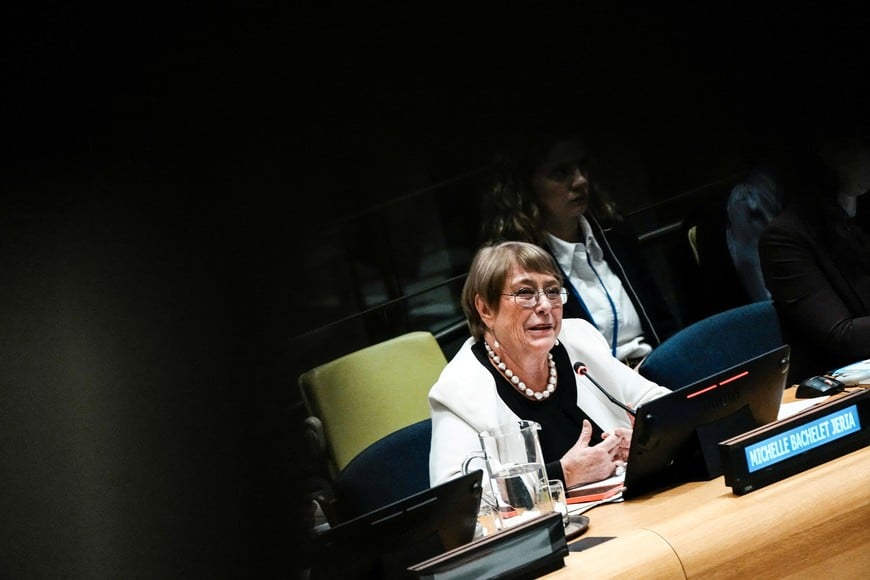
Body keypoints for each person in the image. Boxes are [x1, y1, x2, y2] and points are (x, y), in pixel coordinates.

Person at [428, 241, 671, 489]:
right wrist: (562, 474)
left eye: (553, 291)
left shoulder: (578, 339)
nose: (545, 306)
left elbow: (666, 405)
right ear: (486, 309)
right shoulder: (459, 390)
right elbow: (458, 494)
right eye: (525, 293)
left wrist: (647, 438)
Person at [479, 128, 679, 368]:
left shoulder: (614, 234)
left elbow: (663, 321)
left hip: (656, 371)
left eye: (582, 167)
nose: (580, 180)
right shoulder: (521, 267)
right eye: (561, 173)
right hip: (595, 393)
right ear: (527, 187)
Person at [758, 121, 870, 385]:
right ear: (825, 154)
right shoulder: (784, 238)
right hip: (841, 388)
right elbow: (842, 337)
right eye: (861, 144)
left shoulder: (864, 213)